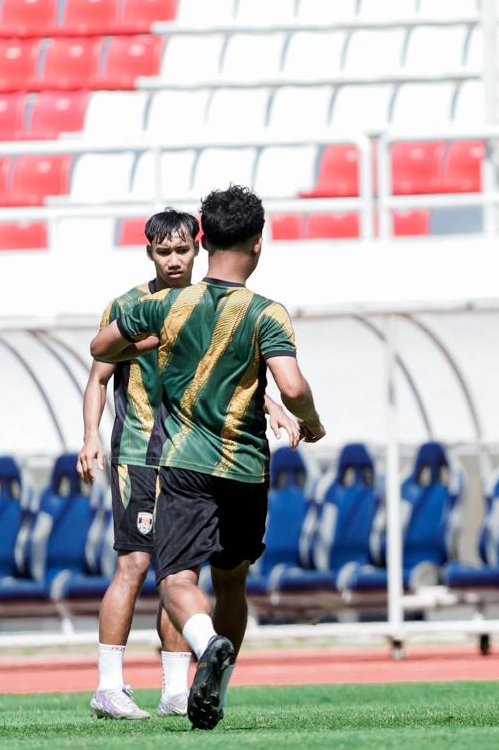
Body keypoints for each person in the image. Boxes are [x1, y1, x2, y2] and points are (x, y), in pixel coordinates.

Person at [91, 187, 326, 731]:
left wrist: (143, 343)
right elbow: (292, 386)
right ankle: (212, 684)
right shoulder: (267, 312)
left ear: (202, 240)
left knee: (176, 579)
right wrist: (311, 421)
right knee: (233, 582)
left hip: (185, 467)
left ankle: (205, 643)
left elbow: (100, 348)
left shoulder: (168, 305)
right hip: (246, 468)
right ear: (258, 243)